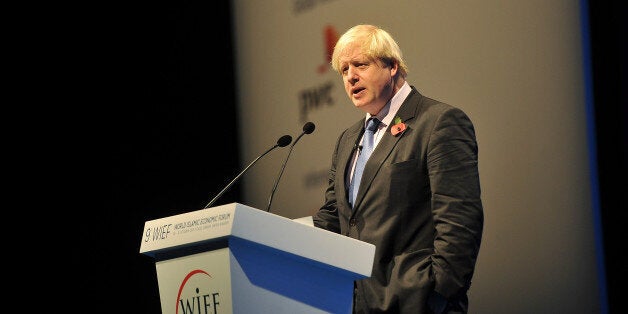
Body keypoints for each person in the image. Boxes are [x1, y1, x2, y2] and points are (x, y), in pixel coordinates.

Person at [312, 24, 484, 313]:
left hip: (416, 302)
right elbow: (335, 217)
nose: (351, 76)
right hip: (355, 304)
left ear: (392, 66)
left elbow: (460, 221)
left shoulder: (438, 122)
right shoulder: (347, 140)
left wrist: (435, 293)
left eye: (360, 64)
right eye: (344, 70)